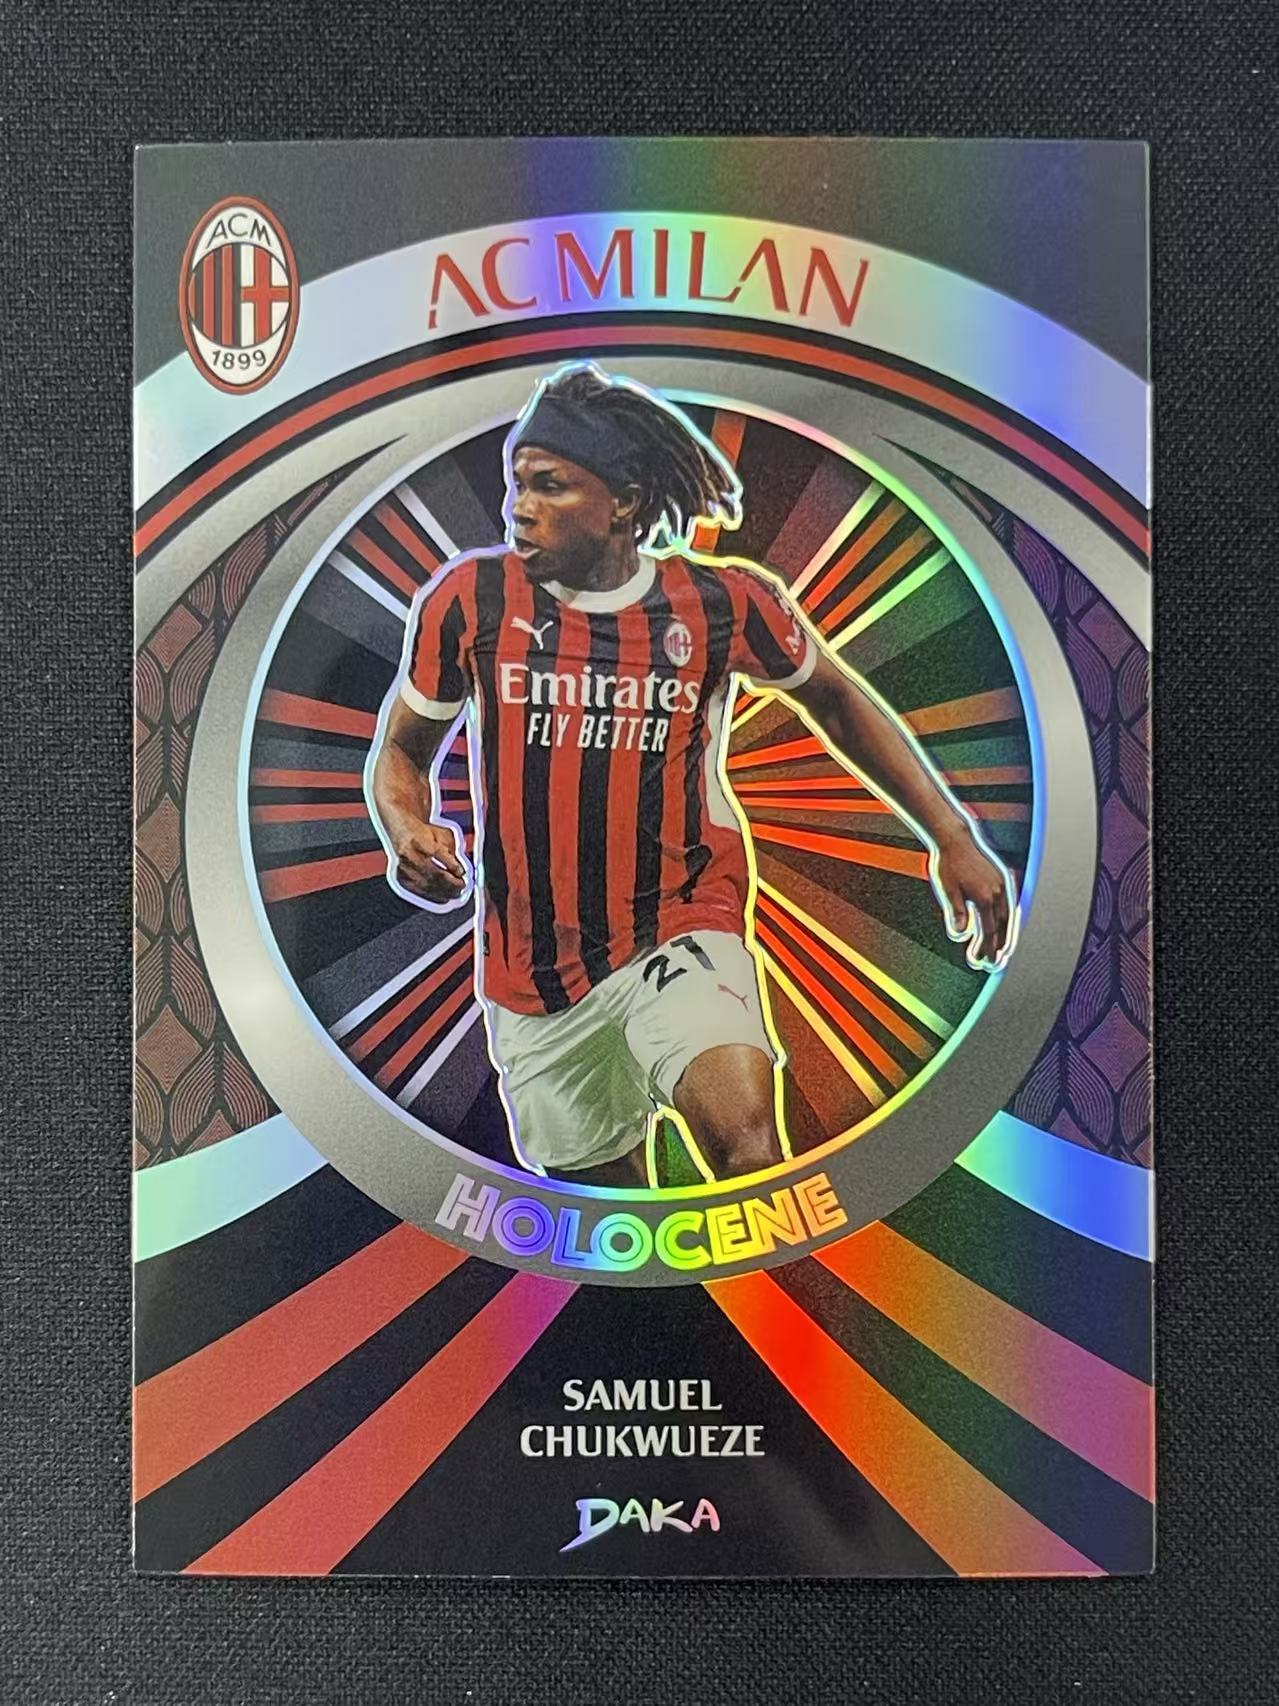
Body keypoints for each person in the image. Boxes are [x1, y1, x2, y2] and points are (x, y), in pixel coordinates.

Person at [370, 363, 1015, 1187]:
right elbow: (402, 750)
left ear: (625, 502)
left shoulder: (722, 603)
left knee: (748, 1151)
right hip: (530, 974)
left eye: (549, 484)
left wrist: (951, 836)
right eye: (516, 483)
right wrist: (406, 826)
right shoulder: (470, 598)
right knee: (608, 1222)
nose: (518, 507)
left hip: (679, 921)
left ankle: (786, 1271)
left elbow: (835, 697)